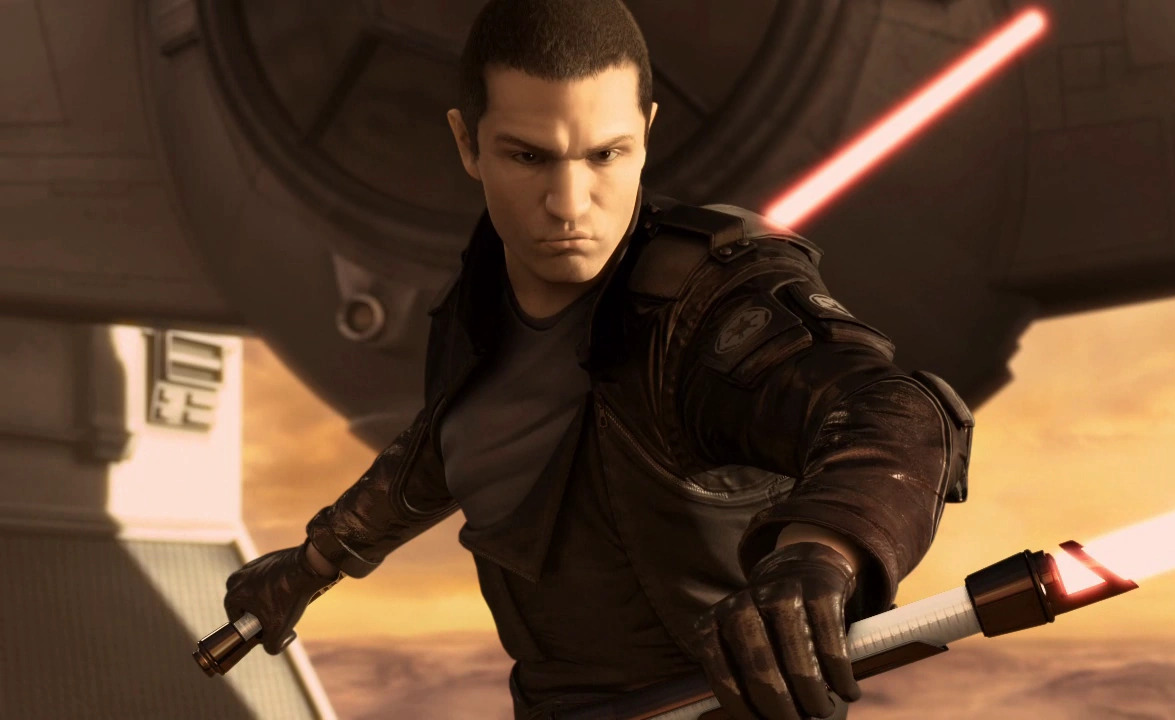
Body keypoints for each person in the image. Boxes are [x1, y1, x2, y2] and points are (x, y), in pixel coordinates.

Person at [222, 1, 974, 718]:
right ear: (467, 144)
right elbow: (449, 446)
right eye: (528, 156)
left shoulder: (706, 303)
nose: (569, 203)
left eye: (606, 154)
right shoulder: (476, 302)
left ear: (646, 134)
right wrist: (310, 565)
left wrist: (818, 554)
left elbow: (893, 411)